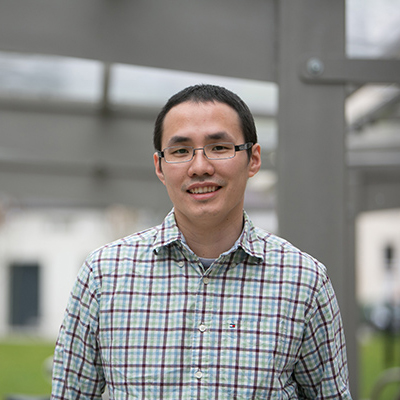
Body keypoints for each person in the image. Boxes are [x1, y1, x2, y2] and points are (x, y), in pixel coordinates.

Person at [51, 84, 352, 399]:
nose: (200, 167)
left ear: (253, 159)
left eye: (219, 147)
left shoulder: (304, 281)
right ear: (160, 167)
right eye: (180, 151)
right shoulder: (103, 275)